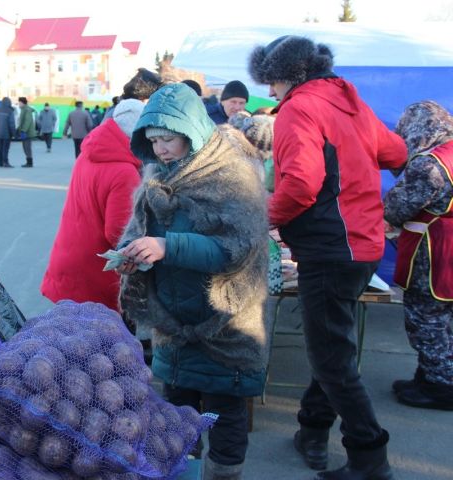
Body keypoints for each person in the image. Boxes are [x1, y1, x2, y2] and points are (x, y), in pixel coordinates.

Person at [248, 35, 407, 478]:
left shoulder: (301, 107)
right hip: (364, 245)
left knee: (332, 359)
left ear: (281, 76)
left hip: (331, 248)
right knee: (331, 348)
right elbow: (396, 152)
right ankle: (312, 431)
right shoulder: (346, 99)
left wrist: (264, 216)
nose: (272, 93)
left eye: (271, 84)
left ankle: (370, 458)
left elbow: (300, 184)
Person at [117, 83, 270, 480]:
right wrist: (131, 253)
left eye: (167, 139)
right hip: (172, 323)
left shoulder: (232, 176)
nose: (160, 149)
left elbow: (237, 249)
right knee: (176, 419)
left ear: (192, 132)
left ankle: (222, 475)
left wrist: (167, 247)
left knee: (224, 415)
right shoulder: (157, 174)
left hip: (223, 323)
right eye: (153, 141)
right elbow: (140, 229)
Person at [41, 99, 145, 311]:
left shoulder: (88, 154)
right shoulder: (124, 172)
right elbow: (119, 234)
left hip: (68, 259)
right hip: (95, 274)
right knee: (96, 342)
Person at [383, 100, 453, 411]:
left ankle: (439, 387)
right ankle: (429, 377)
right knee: (446, 318)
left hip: (433, 251)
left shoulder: (430, 164)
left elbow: (396, 208)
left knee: (427, 319)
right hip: (446, 247)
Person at [0, 97, 15, 168]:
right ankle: (5, 162)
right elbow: (11, 124)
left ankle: (0, 162)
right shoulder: (9, 111)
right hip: (6, 133)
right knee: (6, 148)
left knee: (0, 148)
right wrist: (13, 133)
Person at [17, 97, 37, 168]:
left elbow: (27, 121)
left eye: (19, 103)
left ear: (22, 103)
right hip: (25, 131)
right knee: (25, 147)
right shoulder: (23, 109)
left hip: (27, 132)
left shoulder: (27, 110)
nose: (18, 104)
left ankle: (29, 163)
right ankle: (28, 162)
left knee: (27, 147)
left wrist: (23, 130)